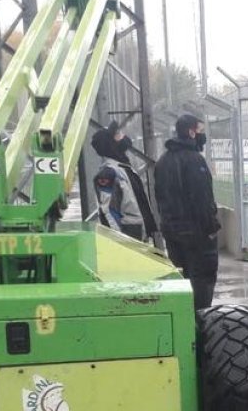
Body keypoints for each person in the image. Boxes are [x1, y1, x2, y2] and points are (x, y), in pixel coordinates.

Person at [154, 114, 219, 311]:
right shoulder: (194, 160)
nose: (202, 135)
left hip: (172, 232)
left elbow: (159, 196)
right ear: (191, 132)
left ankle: (183, 318)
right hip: (196, 234)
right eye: (200, 130)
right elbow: (202, 199)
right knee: (202, 281)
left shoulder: (163, 161)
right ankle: (199, 321)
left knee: (181, 279)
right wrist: (211, 228)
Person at [91, 122, 159, 242]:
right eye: (118, 134)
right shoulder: (108, 173)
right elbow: (107, 212)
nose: (123, 136)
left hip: (138, 235)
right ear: (111, 143)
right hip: (128, 238)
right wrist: (120, 242)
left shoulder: (124, 168)